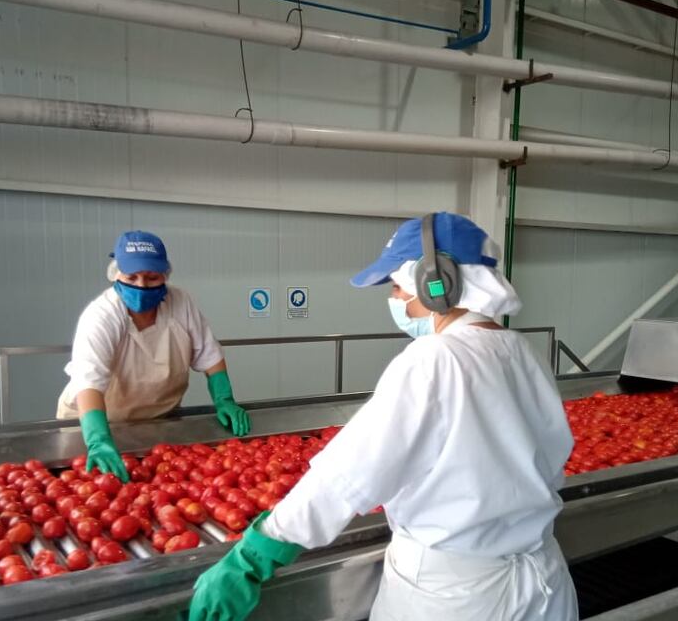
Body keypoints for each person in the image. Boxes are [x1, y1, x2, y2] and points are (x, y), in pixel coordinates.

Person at [187, 212, 578, 621]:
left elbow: (345, 477)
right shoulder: (523, 352)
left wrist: (257, 553)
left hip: (457, 598)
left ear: (435, 281)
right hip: (543, 586)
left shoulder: (435, 359)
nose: (394, 300)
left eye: (396, 287)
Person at [57, 230, 250, 482]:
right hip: (95, 423)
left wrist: (225, 399)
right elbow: (89, 382)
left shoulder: (181, 303)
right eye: (132, 277)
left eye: (151, 277)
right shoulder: (101, 316)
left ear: (165, 275)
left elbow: (209, 355)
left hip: (156, 422)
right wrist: (98, 440)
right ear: (115, 274)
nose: (141, 285)